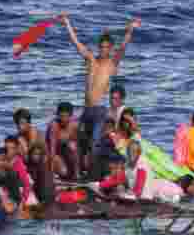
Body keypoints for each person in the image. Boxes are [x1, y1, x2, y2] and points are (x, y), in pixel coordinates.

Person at [60, 14, 141, 168]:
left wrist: (130, 30)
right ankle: (80, 172)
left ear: (110, 49)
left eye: (106, 47)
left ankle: (96, 172)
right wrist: (67, 24)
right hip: (86, 109)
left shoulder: (111, 64)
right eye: (101, 47)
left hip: (99, 110)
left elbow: (123, 47)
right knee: (79, 141)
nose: (103, 50)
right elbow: (76, 43)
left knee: (95, 142)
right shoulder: (91, 60)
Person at [46, 102, 80, 179]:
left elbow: (77, 149)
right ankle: (55, 172)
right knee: (64, 172)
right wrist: (51, 175)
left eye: (66, 116)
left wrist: (77, 173)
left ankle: (76, 173)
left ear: (70, 116)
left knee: (73, 146)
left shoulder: (74, 125)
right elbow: (52, 150)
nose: (63, 119)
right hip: (54, 155)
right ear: (57, 115)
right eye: (61, 116)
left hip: (66, 153)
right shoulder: (54, 126)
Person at [26, 142, 58, 207]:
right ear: (30, 154)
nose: (36, 156)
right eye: (34, 154)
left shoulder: (43, 167)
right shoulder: (27, 166)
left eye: (39, 154)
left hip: (44, 196)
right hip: (35, 195)